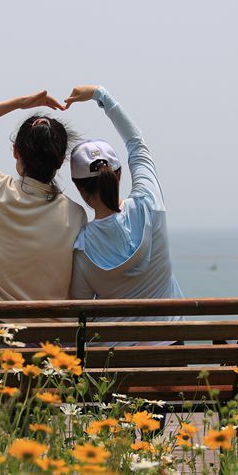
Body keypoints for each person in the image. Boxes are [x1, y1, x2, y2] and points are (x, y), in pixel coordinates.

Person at [0, 90, 88, 302]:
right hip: (53, 333)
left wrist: (19, 103)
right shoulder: (75, 215)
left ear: (15, 151)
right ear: (60, 161)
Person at [65, 85, 183, 322]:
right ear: (118, 174)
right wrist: (100, 94)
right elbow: (136, 143)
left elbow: (80, 312)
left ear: (79, 187)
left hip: (117, 356)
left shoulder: (83, 248)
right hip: (171, 347)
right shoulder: (149, 204)